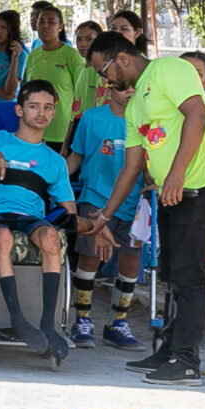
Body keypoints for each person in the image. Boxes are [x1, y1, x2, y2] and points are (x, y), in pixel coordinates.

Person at [94, 32, 205, 385]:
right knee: (171, 271)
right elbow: (131, 167)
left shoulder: (169, 69)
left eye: (103, 70)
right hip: (173, 192)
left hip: (202, 185)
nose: (104, 79)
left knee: (188, 273)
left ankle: (187, 361)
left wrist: (177, 173)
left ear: (122, 59)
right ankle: (170, 349)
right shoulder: (134, 104)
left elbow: (198, 115)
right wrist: (105, 215)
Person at [0, 79, 76, 357]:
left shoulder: (54, 161)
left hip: (30, 216)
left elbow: (68, 209)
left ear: (54, 113)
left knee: (51, 239)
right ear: (19, 110)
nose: (41, 113)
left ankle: (47, 324)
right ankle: (17, 318)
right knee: (3, 236)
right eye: (33, 106)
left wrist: (75, 220)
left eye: (47, 107)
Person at [67, 44, 146, 352]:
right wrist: (55, 179)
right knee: (89, 256)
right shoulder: (92, 118)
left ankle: (119, 323)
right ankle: (82, 319)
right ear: (109, 89)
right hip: (95, 197)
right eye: (121, 88)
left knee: (131, 259)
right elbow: (76, 156)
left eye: (132, 90)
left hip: (133, 202)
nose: (127, 94)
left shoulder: (145, 121)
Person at [21, 3, 86, 142]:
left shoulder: (72, 56)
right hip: (33, 130)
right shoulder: (33, 55)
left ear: (60, 26)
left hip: (61, 133)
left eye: (51, 22)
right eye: (41, 22)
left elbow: (81, 96)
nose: (45, 26)